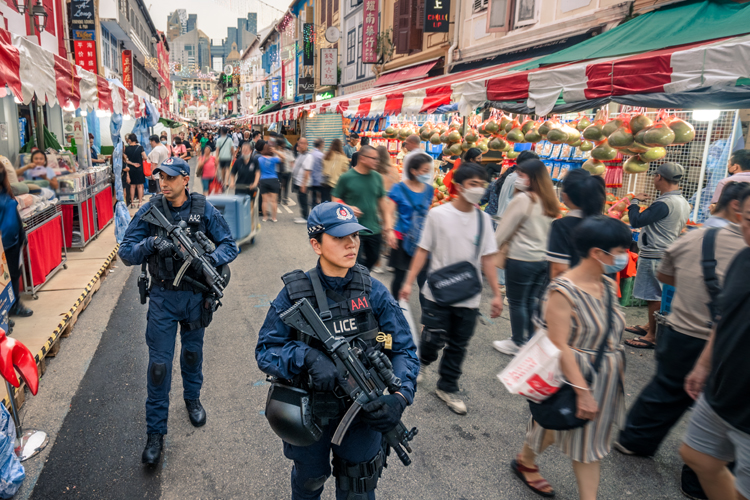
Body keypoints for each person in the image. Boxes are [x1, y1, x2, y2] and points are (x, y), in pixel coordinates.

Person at [255, 202, 418, 500]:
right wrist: (306, 356)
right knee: (310, 480)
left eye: (355, 236)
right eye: (339, 237)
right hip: (309, 413)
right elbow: (266, 351)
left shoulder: (374, 292)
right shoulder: (295, 293)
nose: (351, 243)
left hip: (362, 415)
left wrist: (399, 397)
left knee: (358, 487)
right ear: (316, 244)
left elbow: (403, 349)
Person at [615, 184, 749, 500]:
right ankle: (697, 484)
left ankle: (635, 440)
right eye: (747, 217)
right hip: (717, 349)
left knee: (665, 391)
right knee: (701, 448)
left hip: (682, 332)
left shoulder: (695, 237)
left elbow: (665, 276)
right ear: (736, 209)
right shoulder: (741, 254)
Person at [118, 157, 238, 466]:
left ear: (186, 179)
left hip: (195, 296)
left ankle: (192, 399)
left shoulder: (203, 210)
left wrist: (207, 261)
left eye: (171, 177)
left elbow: (230, 245)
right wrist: (152, 244)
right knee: (159, 367)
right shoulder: (150, 210)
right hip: (163, 297)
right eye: (161, 176)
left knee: (192, 355)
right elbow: (126, 253)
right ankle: (155, 433)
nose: (164, 182)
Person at [511, 215, 630, 499]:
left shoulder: (609, 286)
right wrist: (583, 391)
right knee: (588, 448)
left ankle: (525, 462)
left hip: (604, 375)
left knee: (553, 422)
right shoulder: (562, 291)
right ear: (597, 253)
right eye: (621, 251)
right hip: (576, 377)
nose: (625, 257)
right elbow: (559, 344)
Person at [399, 163, 502, 415]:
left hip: (469, 295)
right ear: (458, 186)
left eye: (482, 184)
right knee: (433, 338)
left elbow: (488, 257)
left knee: (459, 344)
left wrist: (497, 293)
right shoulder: (438, 215)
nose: (478, 189)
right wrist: (408, 281)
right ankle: (422, 362)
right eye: (473, 184)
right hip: (437, 291)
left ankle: (447, 386)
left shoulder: (484, 220)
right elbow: (423, 249)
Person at [680, 187, 750, 500]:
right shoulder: (743, 258)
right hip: (723, 386)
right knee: (698, 456)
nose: (746, 226)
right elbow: (724, 316)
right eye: (746, 218)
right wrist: (704, 364)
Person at [493, 159, 559, 356]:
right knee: (531, 301)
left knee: (516, 301)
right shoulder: (550, 199)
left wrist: (488, 251)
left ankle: (518, 341)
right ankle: (531, 341)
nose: (517, 179)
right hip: (542, 259)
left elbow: (504, 230)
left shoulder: (524, 199)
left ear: (532, 178)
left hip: (521, 258)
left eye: (522, 175)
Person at [624, 162, 691, 349]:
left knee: (653, 295)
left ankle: (652, 335)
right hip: (666, 251)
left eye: (654, 176)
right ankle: (649, 326)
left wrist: (635, 202)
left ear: (659, 177)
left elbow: (636, 220)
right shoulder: (683, 202)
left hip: (654, 253)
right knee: (656, 293)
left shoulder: (664, 203)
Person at [332, 145, 394, 271]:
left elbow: (382, 203)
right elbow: (334, 198)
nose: (377, 161)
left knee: (374, 258)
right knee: (356, 263)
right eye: (374, 158)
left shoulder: (377, 177)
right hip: (353, 231)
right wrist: (347, 207)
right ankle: (356, 283)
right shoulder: (347, 177)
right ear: (362, 158)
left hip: (374, 229)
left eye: (378, 159)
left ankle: (359, 279)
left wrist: (388, 227)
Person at [387, 153, 435, 300]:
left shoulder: (429, 190)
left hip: (422, 240)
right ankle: (394, 306)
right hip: (401, 238)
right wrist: (389, 231)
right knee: (399, 277)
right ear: (414, 171)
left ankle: (427, 319)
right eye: (424, 170)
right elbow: (389, 212)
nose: (427, 174)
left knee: (424, 280)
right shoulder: (399, 188)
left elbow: (427, 214)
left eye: (429, 170)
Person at [547, 169, 607, 278]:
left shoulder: (561, 226)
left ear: (565, 196)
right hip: (598, 289)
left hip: (571, 291)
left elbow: (558, 269)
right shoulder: (607, 224)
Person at [0, 162, 32, 319]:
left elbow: (15, 215)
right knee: (4, 280)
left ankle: (14, 306)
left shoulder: (7, 192)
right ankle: (5, 312)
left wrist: (22, 236)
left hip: (13, 242)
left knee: (14, 274)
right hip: (4, 245)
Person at [257, 139, 283, 223]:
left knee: (264, 201)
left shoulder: (260, 159)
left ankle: (265, 217)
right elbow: (284, 158)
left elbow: (257, 170)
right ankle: (274, 218)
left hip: (263, 180)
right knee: (274, 200)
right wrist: (276, 151)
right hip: (274, 179)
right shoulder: (274, 159)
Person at [291, 138, 314, 224]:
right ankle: (303, 215)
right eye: (299, 143)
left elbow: (307, 171)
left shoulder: (308, 156)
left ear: (307, 144)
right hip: (298, 181)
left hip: (303, 182)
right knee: (301, 199)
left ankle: (305, 217)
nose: (300, 145)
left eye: (302, 143)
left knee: (303, 200)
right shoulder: (300, 154)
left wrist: (303, 184)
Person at [321, 139, 349, 203]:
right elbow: (345, 172)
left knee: (325, 204)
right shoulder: (344, 158)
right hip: (337, 186)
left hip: (326, 184)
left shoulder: (326, 156)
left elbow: (323, 167)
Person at [124, 133, 147, 208]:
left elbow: (125, 160)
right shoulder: (140, 147)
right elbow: (145, 157)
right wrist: (140, 159)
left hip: (131, 169)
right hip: (139, 168)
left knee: (132, 186)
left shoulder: (127, 149)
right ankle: (140, 203)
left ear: (130, 140)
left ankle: (132, 203)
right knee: (140, 186)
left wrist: (133, 164)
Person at [310, 138, 325, 207]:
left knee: (313, 199)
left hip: (312, 180)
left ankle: (313, 211)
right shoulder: (321, 155)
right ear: (321, 145)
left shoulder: (311, 154)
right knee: (321, 199)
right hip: (320, 180)